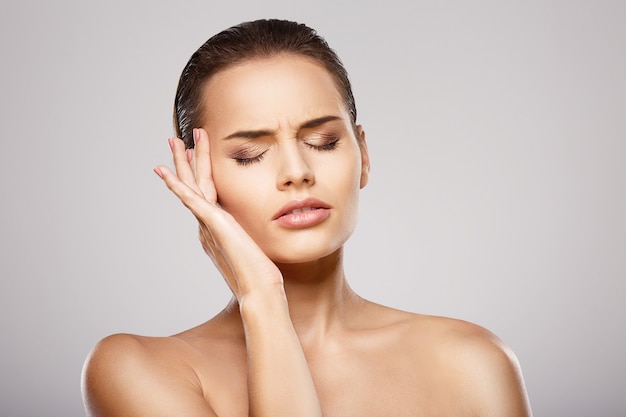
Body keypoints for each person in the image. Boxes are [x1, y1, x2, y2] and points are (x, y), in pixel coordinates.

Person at [81, 18, 533, 417]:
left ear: (364, 154)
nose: (297, 173)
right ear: (199, 176)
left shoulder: (471, 363)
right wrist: (262, 298)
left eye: (323, 142)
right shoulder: (137, 369)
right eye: (250, 154)